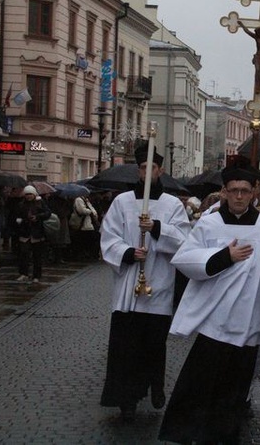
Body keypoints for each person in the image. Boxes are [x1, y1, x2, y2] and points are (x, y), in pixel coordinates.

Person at [158, 165, 260, 444]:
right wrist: (224, 257)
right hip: (215, 318)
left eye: (244, 191)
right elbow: (185, 259)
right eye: (233, 190)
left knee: (236, 387)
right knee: (201, 382)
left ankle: (226, 432)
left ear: (253, 193)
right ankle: (192, 432)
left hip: (248, 317)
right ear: (224, 192)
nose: (238, 196)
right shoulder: (209, 224)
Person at [99, 145, 190, 422]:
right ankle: (127, 398)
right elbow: (108, 236)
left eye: (151, 167)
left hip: (158, 284)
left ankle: (155, 386)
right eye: (141, 167)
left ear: (160, 170)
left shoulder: (173, 204)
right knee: (126, 347)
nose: (146, 172)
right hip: (128, 286)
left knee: (153, 344)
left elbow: (184, 241)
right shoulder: (122, 201)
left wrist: (158, 229)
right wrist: (127, 252)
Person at [12, 186, 51, 283]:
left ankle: (36, 275)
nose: (28, 196)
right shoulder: (21, 204)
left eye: (30, 194)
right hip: (25, 233)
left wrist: (37, 217)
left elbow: (48, 213)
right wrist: (20, 221)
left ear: (34, 194)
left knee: (37, 256)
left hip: (37, 233)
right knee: (23, 255)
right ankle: (23, 274)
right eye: (27, 194)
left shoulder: (40, 203)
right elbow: (16, 216)